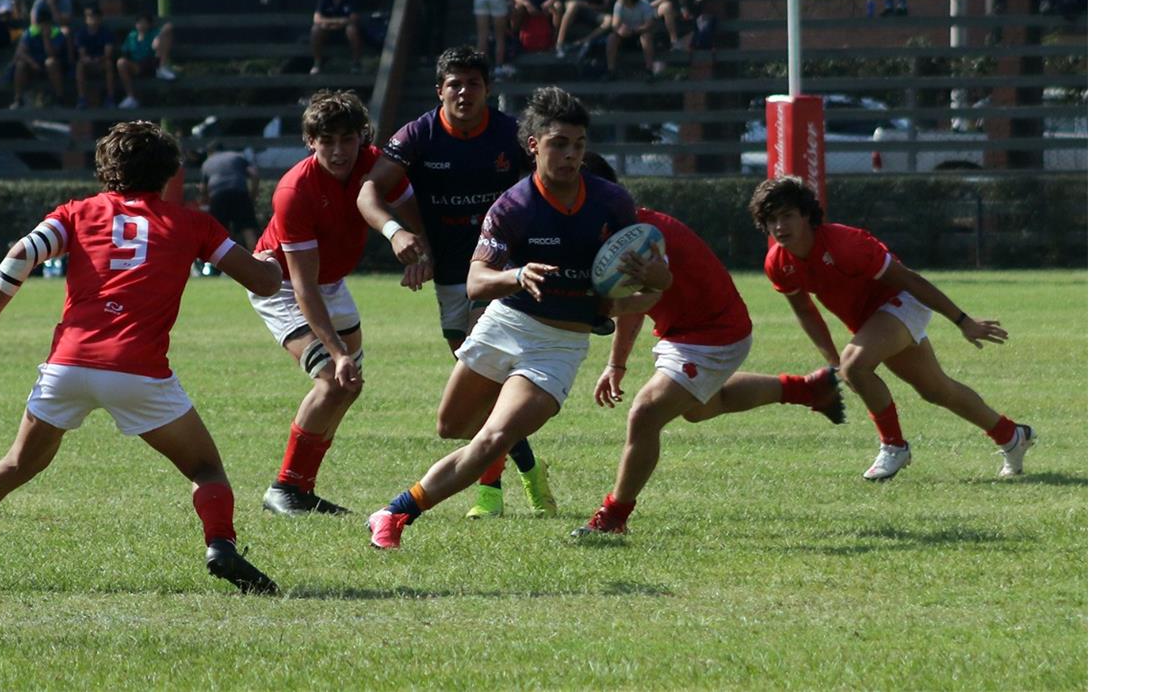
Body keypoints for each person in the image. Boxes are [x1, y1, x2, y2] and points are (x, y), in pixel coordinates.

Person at [0, 120, 285, 594]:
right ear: (169, 173)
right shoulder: (191, 224)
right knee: (205, 469)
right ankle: (220, 545)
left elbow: (21, 254)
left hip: (68, 366)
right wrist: (271, 262)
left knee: (15, 464)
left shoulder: (77, 213)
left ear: (105, 169)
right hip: (138, 371)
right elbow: (264, 284)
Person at [366, 86, 638, 550]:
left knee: (491, 439)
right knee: (452, 427)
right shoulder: (514, 206)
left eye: (578, 145)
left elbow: (649, 289)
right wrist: (517, 275)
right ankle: (519, 457)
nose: (571, 155)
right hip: (505, 324)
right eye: (558, 144)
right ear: (534, 145)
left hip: (558, 346)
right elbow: (476, 282)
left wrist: (645, 281)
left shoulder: (612, 202)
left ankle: (394, 514)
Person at [571, 164, 846, 536]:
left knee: (646, 413)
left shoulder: (640, 235)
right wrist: (616, 364)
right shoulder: (615, 232)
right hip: (688, 332)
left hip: (714, 334)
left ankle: (613, 517)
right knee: (700, 408)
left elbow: (641, 297)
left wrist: (594, 309)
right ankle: (809, 389)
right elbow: (636, 299)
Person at [356, 46, 556, 521]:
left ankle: (489, 493)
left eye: (473, 83)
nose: (464, 92)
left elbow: (551, 181)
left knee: (489, 383)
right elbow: (368, 192)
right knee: (481, 390)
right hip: (451, 274)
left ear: (488, 89)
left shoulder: (511, 134)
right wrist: (397, 232)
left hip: (503, 269)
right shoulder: (419, 134)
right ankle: (531, 469)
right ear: (439, 91)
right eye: (455, 84)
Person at [748, 175, 1036, 481]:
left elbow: (909, 279)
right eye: (771, 219)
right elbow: (806, 313)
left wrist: (962, 321)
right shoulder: (777, 263)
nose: (779, 226)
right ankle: (1012, 435)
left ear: (806, 215)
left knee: (855, 366)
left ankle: (894, 446)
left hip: (903, 302)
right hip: (872, 322)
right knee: (936, 390)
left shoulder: (845, 244)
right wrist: (833, 363)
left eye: (787, 215)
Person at [247, 90, 419, 516]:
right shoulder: (294, 190)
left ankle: (301, 489)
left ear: (363, 137)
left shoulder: (375, 165)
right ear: (311, 141)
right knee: (331, 377)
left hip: (330, 282)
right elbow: (303, 286)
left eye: (347, 139)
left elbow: (412, 208)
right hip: (282, 285)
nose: (339, 151)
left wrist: (423, 253)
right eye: (327, 141)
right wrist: (338, 352)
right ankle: (284, 489)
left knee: (349, 385)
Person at [201, 144, 262, 250]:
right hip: (239, 191)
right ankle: (256, 256)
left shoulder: (207, 162)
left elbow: (204, 189)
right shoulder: (237, 156)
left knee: (220, 233)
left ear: (210, 153)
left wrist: (206, 203)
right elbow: (254, 174)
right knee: (247, 228)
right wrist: (252, 195)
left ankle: (225, 259)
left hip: (217, 195)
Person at [11, 5, 68, 108]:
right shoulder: (30, 32)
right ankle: (18, 99)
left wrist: (46, 38)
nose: (43, 27)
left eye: (46, 24)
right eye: (41, 24)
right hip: (33, 66)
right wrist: (32, 63)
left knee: (51, 62)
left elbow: (51, 54)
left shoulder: (57, 33)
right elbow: (20, 52)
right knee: (20, 65)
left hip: (53, 68)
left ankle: (60, 99)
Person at [116, 14, 177, 109]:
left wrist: (159, 37)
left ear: (149, 24)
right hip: (137, 66)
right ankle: (131, 97)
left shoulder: (154, 33)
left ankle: (162, 68)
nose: (141, 25)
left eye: (144, 22)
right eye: (139, 22)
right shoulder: (132, 36)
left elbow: (169, 26)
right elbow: (125, 51)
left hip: (153, 63)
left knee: (165, 37)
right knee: (121, 62)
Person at [308, 0, 364, 75]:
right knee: (315, 30)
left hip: (344, 31)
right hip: (328, 30)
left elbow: (353, 18)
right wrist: (337, 21)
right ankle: (317, 63)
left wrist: (338, 23)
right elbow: (317, 19)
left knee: (352, 29)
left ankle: (356, 63)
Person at [603, 0, 660, 78]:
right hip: (624, 36)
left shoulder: (644, 5)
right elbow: (615, 25)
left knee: (646, 36)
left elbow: (649, 24)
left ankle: (649, 69)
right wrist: (620, 31)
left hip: (640, 34)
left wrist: (633, 30)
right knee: (611, 38)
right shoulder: (618, 5)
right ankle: (611, 70)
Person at [72, 5, 117, 108]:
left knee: (109, 65)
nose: (93, 19)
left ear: (100, 18)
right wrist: (88, 59)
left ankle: (110, 97)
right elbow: (82, 54)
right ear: (86, 19)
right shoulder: (81, 34)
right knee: (80, 65)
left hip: (101, 63)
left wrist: (98, 59)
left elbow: (108, 53)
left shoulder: (106, 33)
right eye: (90, 17)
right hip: (88, 64)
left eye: (95, 17)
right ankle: (81, 98)